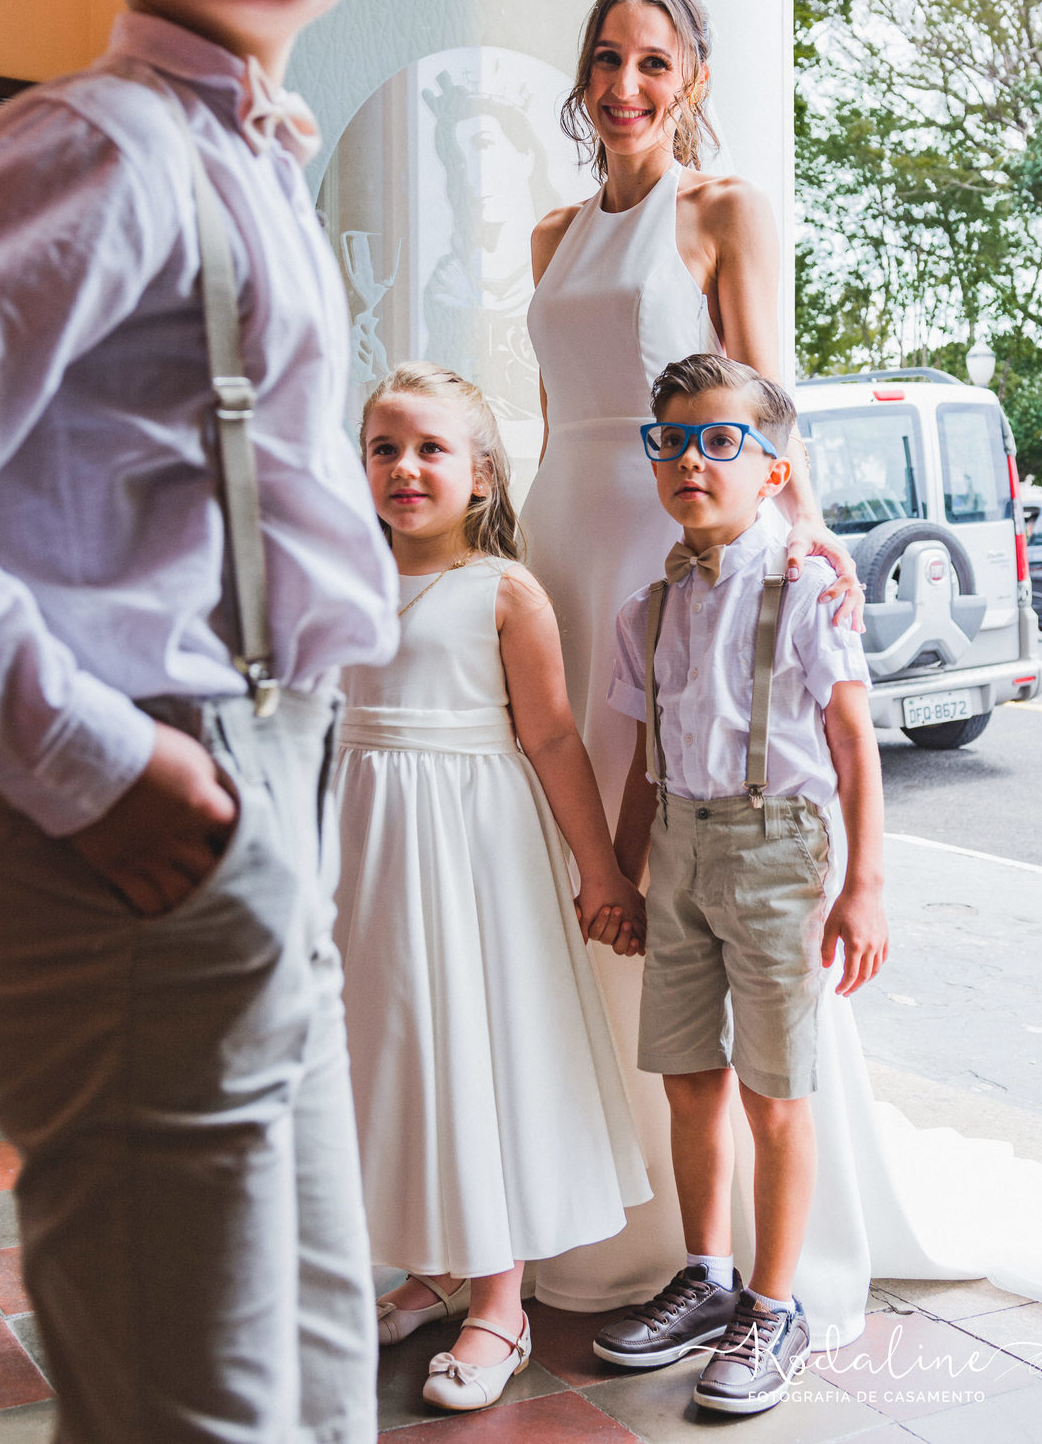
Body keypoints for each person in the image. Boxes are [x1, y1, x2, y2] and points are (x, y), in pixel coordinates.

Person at [0, 0, 397, 1439]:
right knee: (192, 1411)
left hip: (262, 800)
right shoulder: (101, 148)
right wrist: (94, 760)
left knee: (314, 1376)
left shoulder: (249, 160)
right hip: (137, 823)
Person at [520, 0, 865, 1320]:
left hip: (680, 543)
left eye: (654, 63)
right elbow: (556, 417)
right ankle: (579, 1193)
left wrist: (805, 531)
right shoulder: (551, 235)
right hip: (562, 546)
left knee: (690, 831)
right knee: (583, 841)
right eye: (607, 59)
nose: (626, 86)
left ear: (693, 81)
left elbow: (770, 397)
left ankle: (714, 1247)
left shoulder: (723, 211)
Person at [333, 362, 652, 1414]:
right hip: (367, 846)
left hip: (471, 852)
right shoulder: (346, 579)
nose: (405, 467)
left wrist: (602, 868)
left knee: (476, 1050)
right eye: (384, 448)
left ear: (479, 474)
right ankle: (432, 1267)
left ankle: (501, 1301)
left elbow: (552, 737)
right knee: (397, 1050)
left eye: (431, 448)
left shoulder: (502, 591)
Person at [592, 354, 888, 1414]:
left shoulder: (808, 588)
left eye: (721, 441)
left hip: (777, 855)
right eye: (671, 442)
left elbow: (853, 744)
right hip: (678, 849)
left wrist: (864, 885)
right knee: (688, 1076)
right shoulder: (647, 606)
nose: (691, 461)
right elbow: (644, 758)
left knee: (774, 1090)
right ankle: (708, 1274)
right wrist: (622, 871)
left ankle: (775, 1302)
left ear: (773, 471)